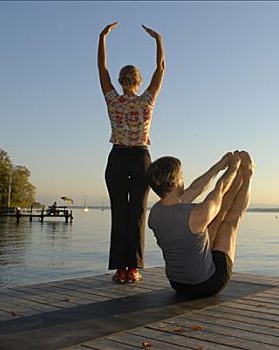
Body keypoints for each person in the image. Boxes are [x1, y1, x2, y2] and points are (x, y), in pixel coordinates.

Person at [98, 21, 165, 284]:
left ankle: (120, 269)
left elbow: (101, 68)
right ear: (138, 80)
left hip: (117, 157)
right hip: (140, 159)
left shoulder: (112, 99)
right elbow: (160, 68)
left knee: (119, 212)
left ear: (120, 80)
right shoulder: (147, 100)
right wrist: (158, 40)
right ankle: (133, 269)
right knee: (137, 213)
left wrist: (103, 38)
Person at [147, 151, 254, 296]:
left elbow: (196, 189)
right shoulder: (195, 215)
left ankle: (241, 176)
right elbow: (220, 189)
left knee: (214, 220)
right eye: (181, 174)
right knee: (229, 222)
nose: (183, 178)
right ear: (175, 181)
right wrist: (234, 169)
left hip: (178, 284)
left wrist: (220, 165)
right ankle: (247, 176)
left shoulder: (155, 213)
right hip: (207, 284)